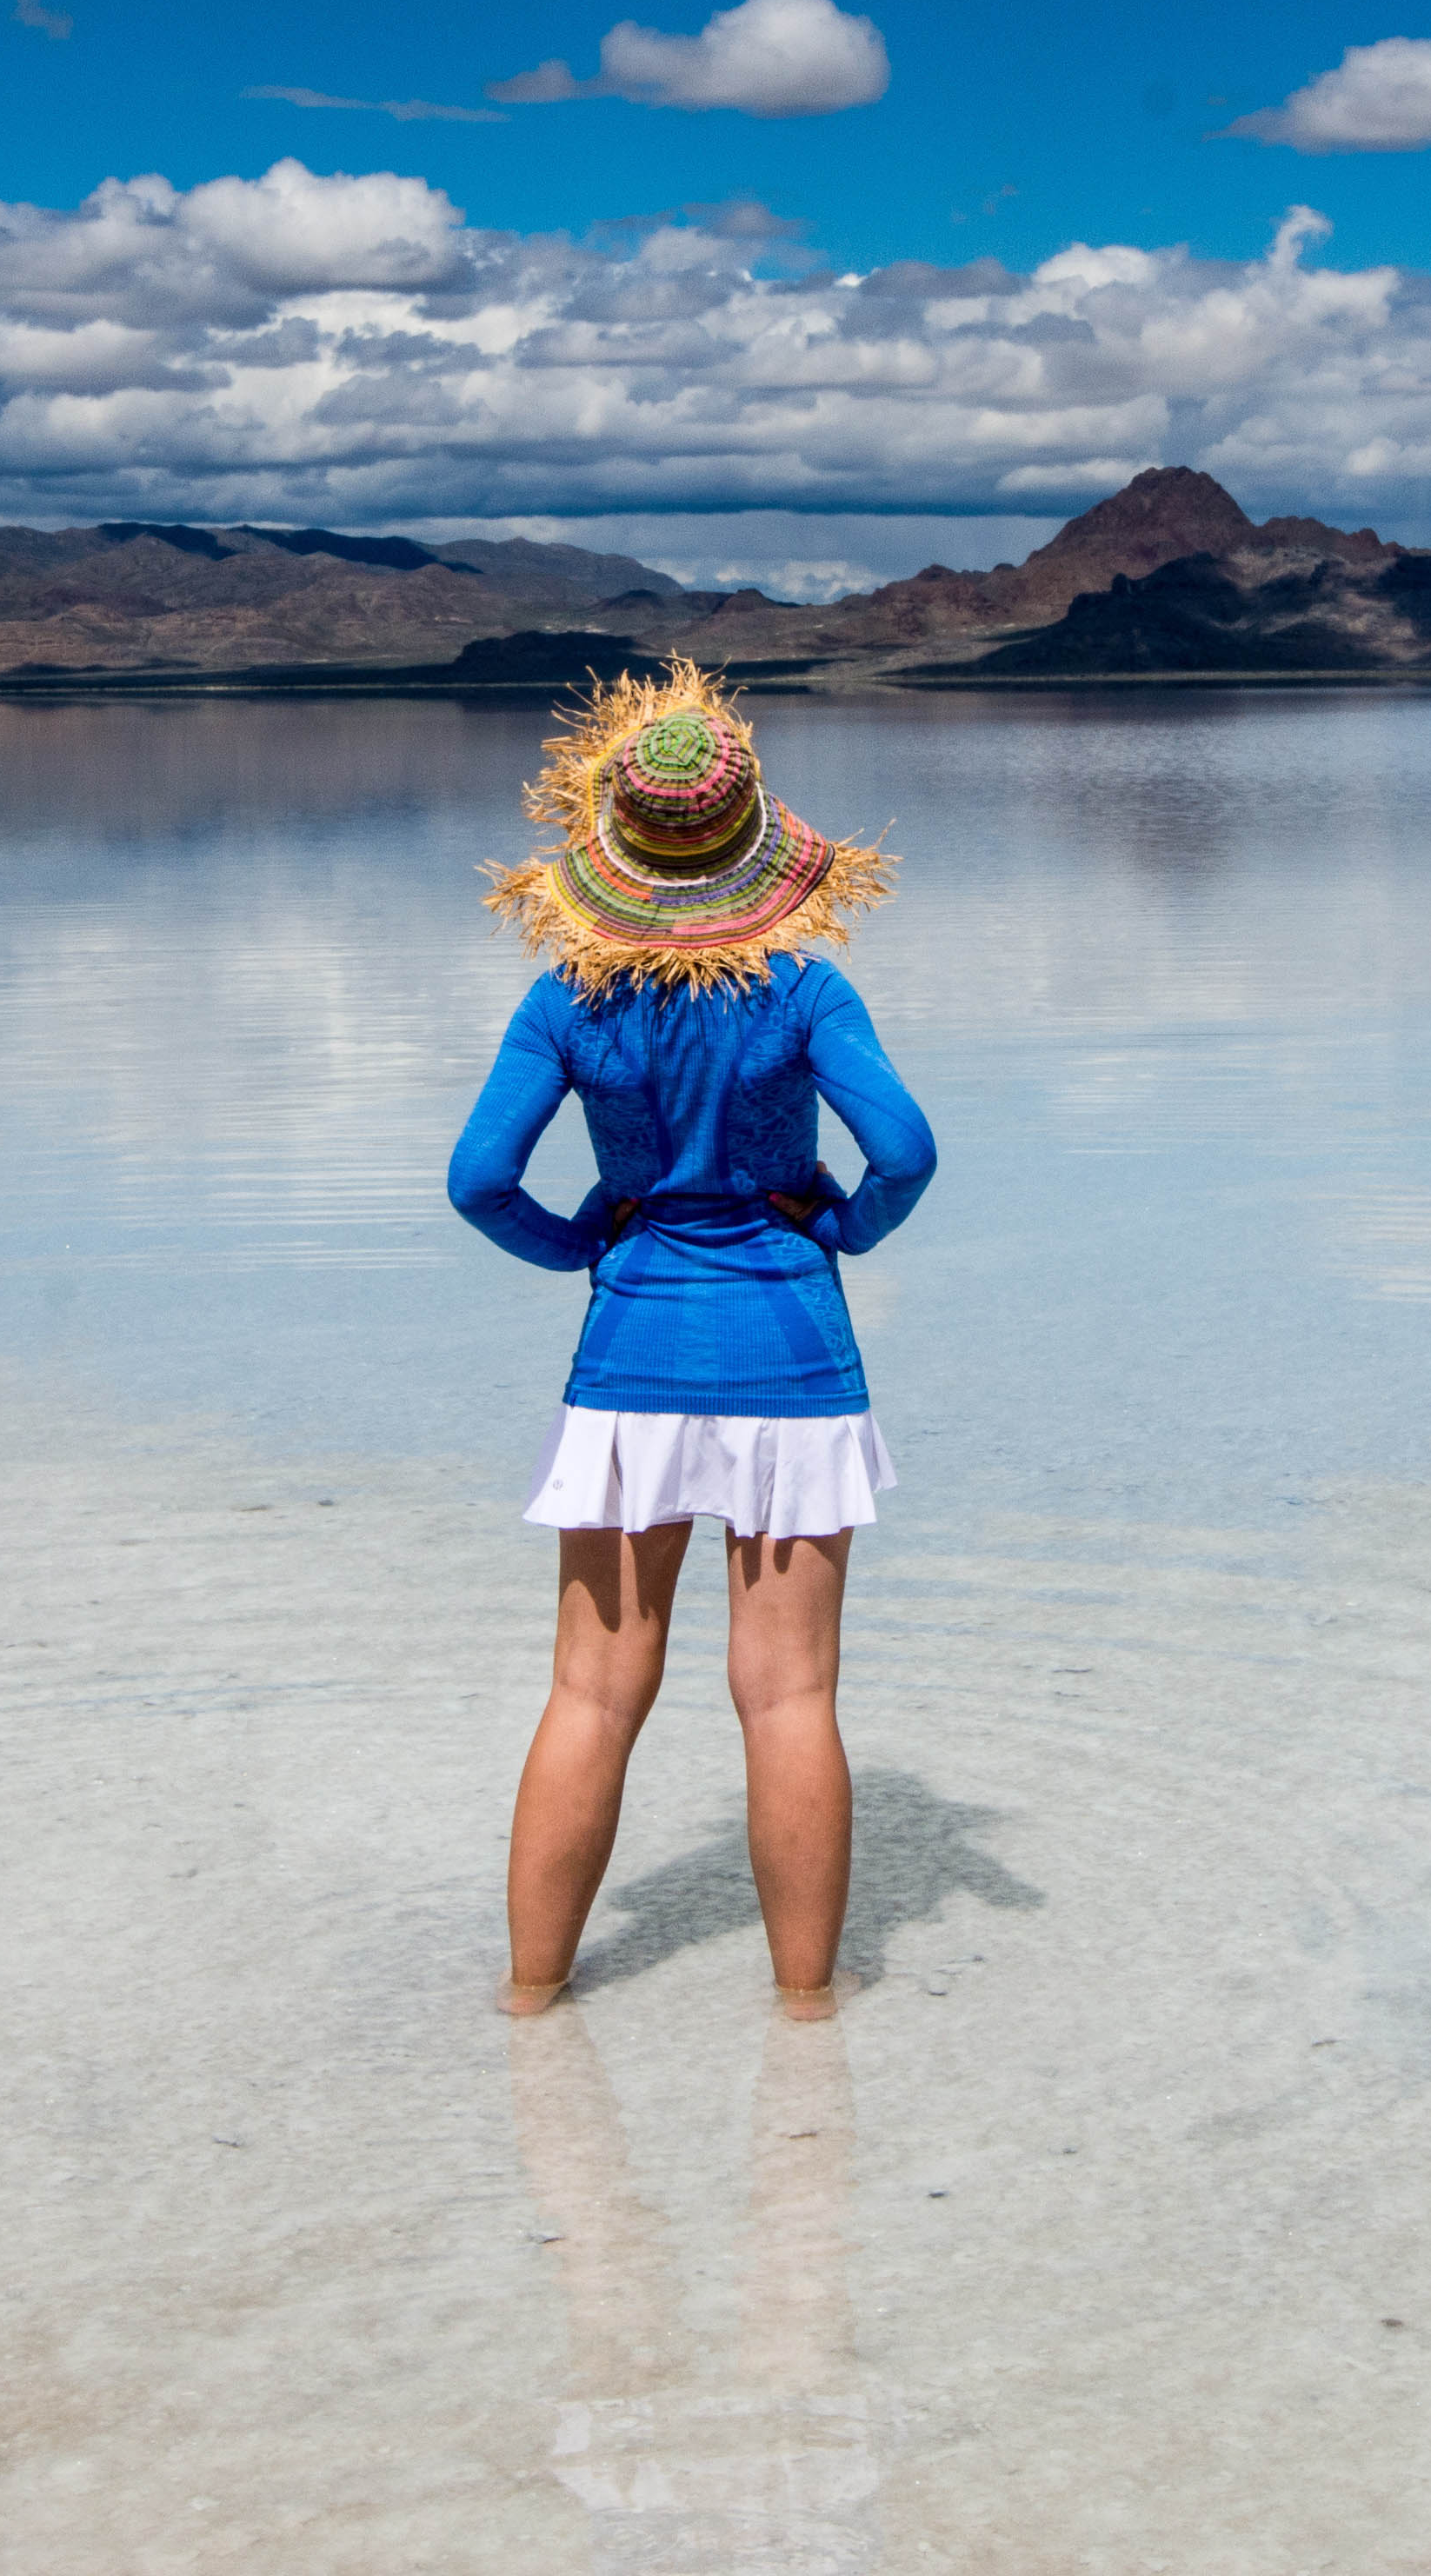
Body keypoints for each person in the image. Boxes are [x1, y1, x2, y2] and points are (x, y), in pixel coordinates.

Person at [448, 662, 936, 2020]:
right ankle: (806, 2023)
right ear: (755, 840)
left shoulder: (570, 1003)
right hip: (792, 1360)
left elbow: (478, 1181)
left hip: (630, 1365)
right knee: (787, 1701)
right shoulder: (804, 992)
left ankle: (534, 2003)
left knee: (594, 1696)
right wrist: (845, 1225)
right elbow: (904, 1149)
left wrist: (585, 1246)